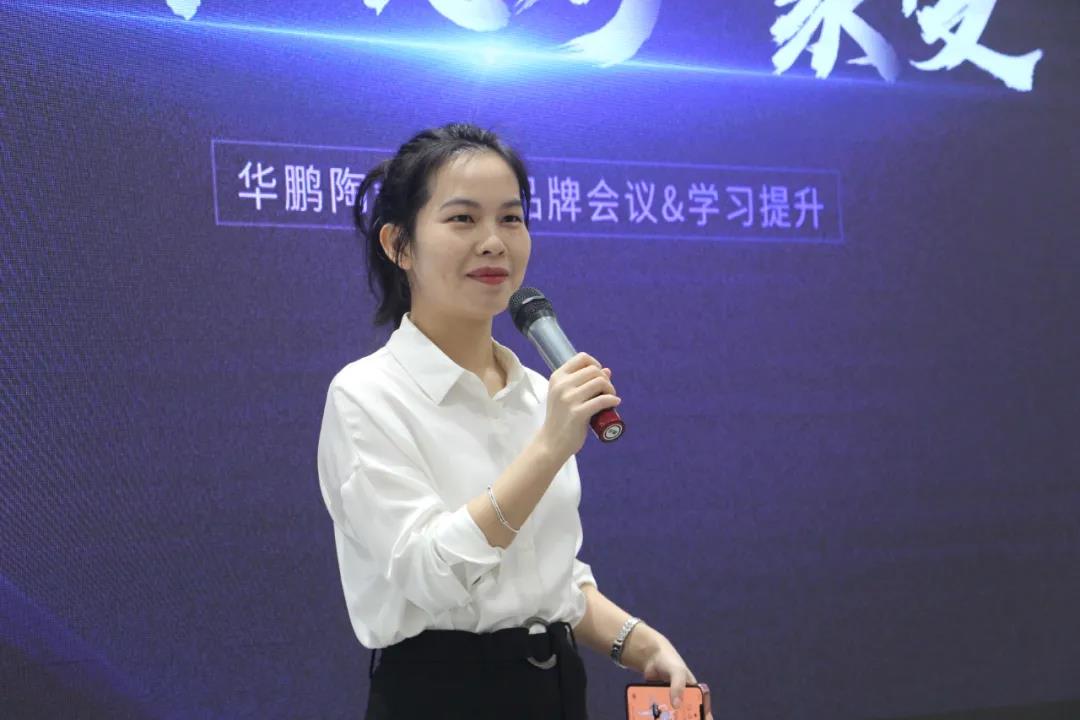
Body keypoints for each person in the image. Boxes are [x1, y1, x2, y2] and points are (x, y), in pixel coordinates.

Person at [317, 123, 712, 719]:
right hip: (441, 697)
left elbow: (547, 579)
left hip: (556, 694)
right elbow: (429, 573)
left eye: (511, 218)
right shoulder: (367, 395)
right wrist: (548, 450)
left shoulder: (538, 394)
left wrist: (641, 643)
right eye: (462, 219)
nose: (494, 242)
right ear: (399, 244)